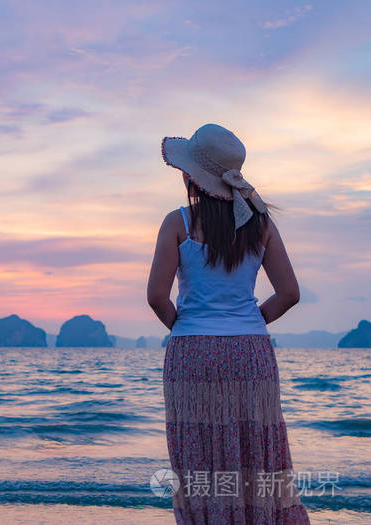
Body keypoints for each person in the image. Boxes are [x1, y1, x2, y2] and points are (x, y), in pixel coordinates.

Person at [147, 123, 311, 524]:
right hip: (250, 352)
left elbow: (156, 297)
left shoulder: (177, 223)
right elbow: (289, 293)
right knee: (256, 451)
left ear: (192, 176)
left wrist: (188, 329)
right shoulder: (261, 224)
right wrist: (251, 323)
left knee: (197, 457)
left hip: (192, 353)